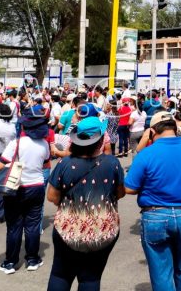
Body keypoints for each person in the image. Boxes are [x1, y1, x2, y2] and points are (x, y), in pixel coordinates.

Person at [124, 111, 181, 291]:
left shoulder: (147, 154)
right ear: (175, 128)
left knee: (162, 271)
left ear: (152, 131)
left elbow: (129, 187)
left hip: (155, 214)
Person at [46, 116, 124, 291]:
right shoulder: (112, 164)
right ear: (99, 140)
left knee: (61, 274)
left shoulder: (65, 163)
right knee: (91, 278)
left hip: (68, 228)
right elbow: (120, 193)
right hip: (102, 229)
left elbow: (52, 196)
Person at [0, 107, 50, 274]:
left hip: (15, 188)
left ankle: (10, 263)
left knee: (14, 226)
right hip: (36, 187)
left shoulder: (16, 144)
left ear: (25, 127)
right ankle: (32, 260)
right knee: (33, 225)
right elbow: (46, 165)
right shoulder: (44, 144)